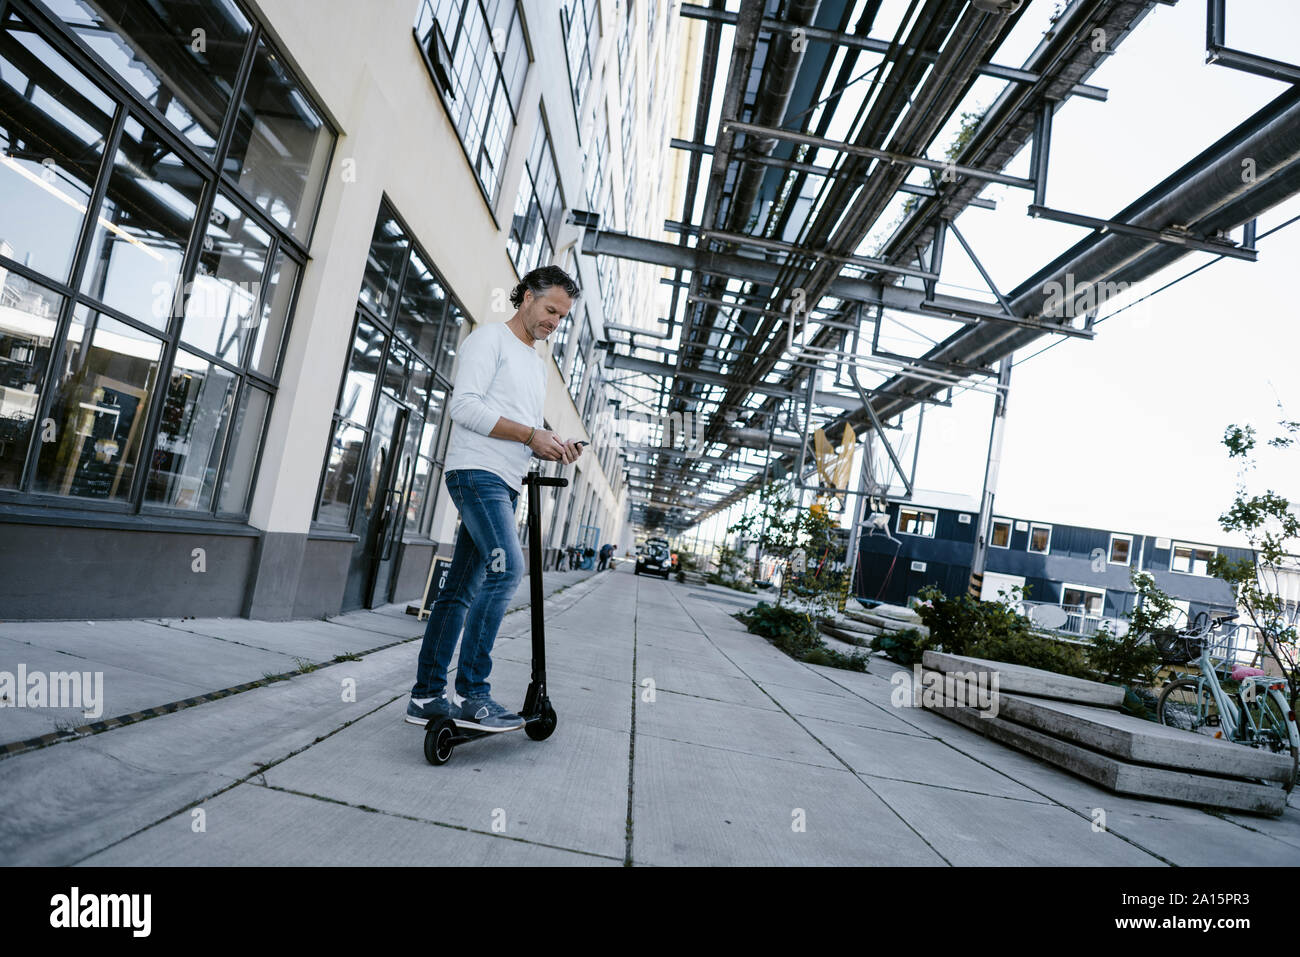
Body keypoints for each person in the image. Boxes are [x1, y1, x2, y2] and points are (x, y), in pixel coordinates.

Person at [407, 266, 584, 731]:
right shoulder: (489, 339)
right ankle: (472, 694)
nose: (554, 322)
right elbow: (462, 406)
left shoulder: (535, 362)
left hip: (503, 482)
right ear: (525, 296)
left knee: (460, 591)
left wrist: (550, 443)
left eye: (562, 317)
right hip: (476, 472)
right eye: (550, 310)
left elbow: (521, 427)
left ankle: (426, 697)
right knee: (508, 572)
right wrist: (531, 435)